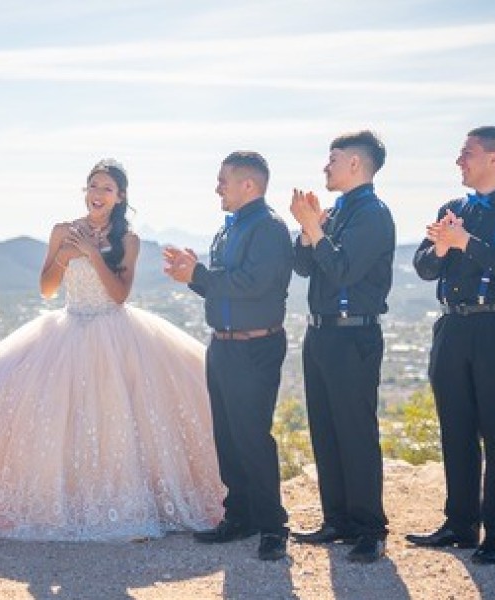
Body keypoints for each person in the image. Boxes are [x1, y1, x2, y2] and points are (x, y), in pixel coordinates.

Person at [0, 159, 224, 541]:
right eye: (93, 186)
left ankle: (129, 504)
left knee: (118, 419)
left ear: (120, 197)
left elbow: (120, 294)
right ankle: (65, 501)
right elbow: (46, 288)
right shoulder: (62, 229)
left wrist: (93, 255)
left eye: (107, 188)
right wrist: (66, 254)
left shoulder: (129, 240)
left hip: (116, 332)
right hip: (68, 328)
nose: (98, 194)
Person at [407, 126, 495, 564]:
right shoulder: (452, 208)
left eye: (466, 153)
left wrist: (465, 241)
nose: (458, 161)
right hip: (454, 327)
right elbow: (424, 267)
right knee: (456, 427)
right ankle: (460, 524)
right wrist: (443, 249)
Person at [164, 151, 294, 562]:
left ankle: (273, 527)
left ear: (248, 185)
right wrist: (194, 274)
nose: (217, 187)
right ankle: (239, 517)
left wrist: (199, 275)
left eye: (223, 180)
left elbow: (256, 283)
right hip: (223, 345)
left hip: (255, 347)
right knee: (227, 437)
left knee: (252, 437)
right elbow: (223, 287)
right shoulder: (229, 229)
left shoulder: (270, 228)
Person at [289, 131, 394, 563]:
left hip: (355, 335)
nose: (324, 168)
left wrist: (315, 229)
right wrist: (308, 228)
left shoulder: (373, 214)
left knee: (355, 430)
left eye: (331, 159)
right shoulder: (335, 213)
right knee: (326, 428)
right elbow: (302, 266)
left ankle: (370, 527)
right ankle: (338, 520)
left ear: (355, 164)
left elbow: (344, 272)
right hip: (321, 333)